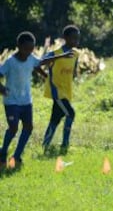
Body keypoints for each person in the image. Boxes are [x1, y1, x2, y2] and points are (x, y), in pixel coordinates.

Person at [0, 31, 72, 169]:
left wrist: (58, 60)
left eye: (31, 49)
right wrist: (2, 88)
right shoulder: (10, 62)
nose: (29, 51)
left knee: (28, 127)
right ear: (19, 46)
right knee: (13, 128)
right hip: (11, 101)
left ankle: (17, 156)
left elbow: (40, 63)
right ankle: (3, 152)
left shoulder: (31, 58)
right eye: (26, 48)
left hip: (26, 101)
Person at [42, 25, 80, 155]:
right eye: (73, 38)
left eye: (77, 38)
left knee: (55, 118)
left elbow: (74, 70)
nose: (76, 41)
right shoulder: (55, 53)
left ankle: (45, 144)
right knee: (71, 113)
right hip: (56, 92)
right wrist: (60, 57)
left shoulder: (75, 54)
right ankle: (65, 144)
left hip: (66, 91)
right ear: (65, 38)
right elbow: (41, 61)